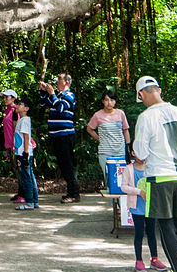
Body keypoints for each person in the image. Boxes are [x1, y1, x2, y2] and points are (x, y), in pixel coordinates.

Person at [132, 75, 177, 272]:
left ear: (141, 94)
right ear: (159, 90)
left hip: (159, 176)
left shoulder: (145, 117)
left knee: (166, 225)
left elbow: (140, 152)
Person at [120, 150, 167, 272]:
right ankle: (139, 260)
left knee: (152, 233)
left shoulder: (150, 168)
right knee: (139, 233)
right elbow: (123, 187)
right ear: (133, 153)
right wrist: (139, 192)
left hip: (150, 206)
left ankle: (154, 259)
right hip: (137, 207)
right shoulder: (128, 169)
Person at [39, 72, 81, 202]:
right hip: (57, 136)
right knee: (63, 165)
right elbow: (43, 105)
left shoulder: (69, 95)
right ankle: (71, 192)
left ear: (66, 82)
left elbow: (61, 108)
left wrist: (51, 94)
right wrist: (44, 92)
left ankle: (74, 194)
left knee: (68, 165)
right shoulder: (58, 96)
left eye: (59, 79)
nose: (57, 81)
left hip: (65, 136)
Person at [86, 87, 130, 183]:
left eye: (112, 100)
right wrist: (99, 139)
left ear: (115, 102)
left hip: (120, 151)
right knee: (109, 180)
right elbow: (89, 129)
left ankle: (120, 199)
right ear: (102, 101)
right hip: (105, 152)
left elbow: (125, 130)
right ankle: (111, 198)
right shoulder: (98, 115)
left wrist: (128, 146)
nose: (109, 102)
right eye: (106, 100)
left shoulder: (120, 113)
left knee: (121, 180)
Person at [12, 97, 39, 210]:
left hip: (23, 152)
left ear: (26, 108)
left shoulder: (25, 120)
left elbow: (26, 136)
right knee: (30, 176)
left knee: (26, 178)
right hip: (22, 151)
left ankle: (29, 203)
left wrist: (25, 153)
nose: (18, 106)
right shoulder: (22, 120)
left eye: (21, 105)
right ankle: (34, 201)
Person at [1, 89, 25, 203]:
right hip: (9, 145)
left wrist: (16, 145)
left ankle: (24, 194)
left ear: (13, 98)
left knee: (20, 169)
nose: (5, 99)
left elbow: (18, 128)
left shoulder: (15, 111)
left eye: (7, 97)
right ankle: (20, 192)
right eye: (4, 97)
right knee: (16, 169)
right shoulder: (8, 111)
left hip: (16, 145)